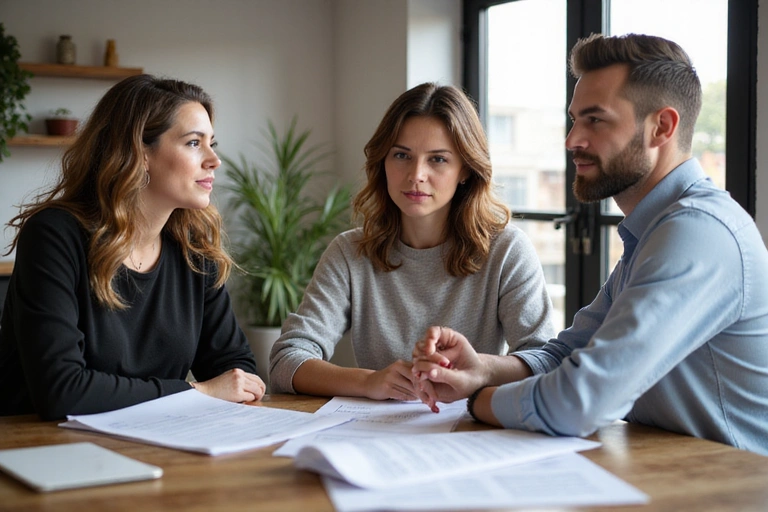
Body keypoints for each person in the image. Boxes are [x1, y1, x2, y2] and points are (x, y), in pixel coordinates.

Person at [412, 33, 768, 455]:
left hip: (731, 486)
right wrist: (483, 370)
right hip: (665, 472)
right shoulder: (653, 231)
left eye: (595, 120)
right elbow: (566, 354)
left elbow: (578, 402)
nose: (572, 140)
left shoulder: (697, 233)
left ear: (662, 127)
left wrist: (477, 402)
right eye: (574, 119)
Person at [0, 74, 266, 420]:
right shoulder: (55, 236)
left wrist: (221, 389)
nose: (213, 160)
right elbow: (61, 392)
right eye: (193, 143)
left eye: (212, 143)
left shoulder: (194, 249)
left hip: (153, 442)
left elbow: (235, 371)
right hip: (43, 450)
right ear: (139, 153)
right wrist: (196, 392)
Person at [269, 82, 556, 399]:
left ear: (465, 170)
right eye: (402, 155)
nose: (416, 174)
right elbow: (286, 361)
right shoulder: (350, 253)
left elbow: (544, 362)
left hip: (472, 432)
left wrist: (481, 370)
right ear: (383, 162)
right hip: (372, 435)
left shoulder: (507, 251)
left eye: (438, 159)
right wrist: (368, 382)